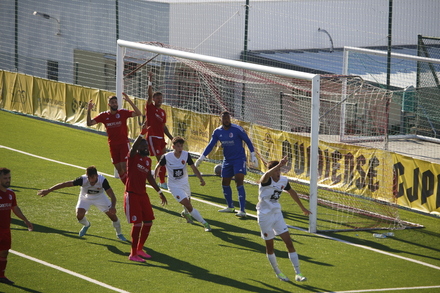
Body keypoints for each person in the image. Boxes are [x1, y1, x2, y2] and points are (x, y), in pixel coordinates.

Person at [256, 157, 311, 282]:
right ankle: (278, 272)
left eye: (279, 170)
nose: (278, 173)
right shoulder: (265, 180)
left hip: (277, 214)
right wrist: (278, 165)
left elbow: (292, 192)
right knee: (270, 247)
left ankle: (298, 273)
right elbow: (266, 174)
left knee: (289, 242)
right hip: (264, 216)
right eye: (276, 170)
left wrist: (303, 208)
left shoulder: (283, 180)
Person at [37, 166, 127, 241]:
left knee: (113, 217)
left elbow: (112, 195)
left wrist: (113, 207)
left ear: (96, 175)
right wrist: (49, 190)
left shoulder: (103, 180)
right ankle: (87, 225)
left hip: (100, 198)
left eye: (92, 177)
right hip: (85, 197)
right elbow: (65, 184)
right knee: (79, 215)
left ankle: (119, 234)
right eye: (89, 177)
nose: (90, 180)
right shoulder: (82, 179)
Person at [195, 111, 258, 217]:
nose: (226, 120)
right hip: (227, 160)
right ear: (221, 119)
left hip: (239, 159)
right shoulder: (217, 131)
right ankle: (230, 207)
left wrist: (253, 155)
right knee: (225, 183)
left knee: (239, 181)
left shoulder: (237, 129)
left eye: (228, 118)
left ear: (230, 119)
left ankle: (242, 210)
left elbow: (247, 140)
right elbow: (211, 145)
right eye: (224, 119)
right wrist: (201, 158)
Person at [125, 132, 168, 262]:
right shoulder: (132, 157)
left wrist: (159, 192)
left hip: (143, 195)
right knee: (137, 224)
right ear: (138, 148)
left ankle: (139, 248)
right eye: (143, 146)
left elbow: (149, 177)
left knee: (148, 221)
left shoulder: (148, 160)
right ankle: (133, 254)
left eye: (146, 146)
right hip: (132, 194)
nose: (146, 148)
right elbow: (132, 149)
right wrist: (141, 134)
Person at [155, 137, 211, 232]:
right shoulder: (167, 157)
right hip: (174, 186)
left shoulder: (186, 155)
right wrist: (154, 178)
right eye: (178, 146)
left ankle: (185, 214)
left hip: (185, 183)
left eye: (181, 146)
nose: (180, 148)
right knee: (188, 205)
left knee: (188, 201)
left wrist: (201, 179)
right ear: (173, 147)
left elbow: (193, 168)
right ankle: (204, 223)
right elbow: (158, 166)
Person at [87, 93, 142, 183]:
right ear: (109, 104)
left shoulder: (122, 113)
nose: (114, 104)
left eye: (115, 102)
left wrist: (129, 101)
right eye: (112, 102)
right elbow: (89, 123)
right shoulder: (104, 116)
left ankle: (133, 186)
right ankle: (127, 188)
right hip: (113, 145)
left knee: (125, 168)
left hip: (123, 144)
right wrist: (88, 110)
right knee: (119, 170)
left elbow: (138, 113)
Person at [0, 168, 33, 285]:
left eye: (9, 178)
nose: (8, 180)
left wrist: (26, 220)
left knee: (4, 252)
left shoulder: (10, 193)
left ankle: (1, 275)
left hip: (5, 229)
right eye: (5, 178)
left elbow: (14, 208)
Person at [141, 73, 173, 189]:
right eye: (157, 98)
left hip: (161, 138)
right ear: (153, 99)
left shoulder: (163, 112)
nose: (159, 100)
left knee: (163, 159)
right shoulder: (150, 108)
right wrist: (150, 82)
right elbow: (149, 96)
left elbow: (164, 127)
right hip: (152, 138)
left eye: (161, 98)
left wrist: (171, 138)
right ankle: (162, 181)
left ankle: (156, 177)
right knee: (162, 159)